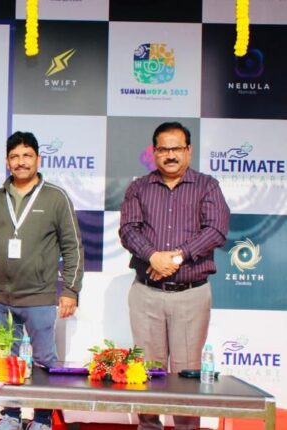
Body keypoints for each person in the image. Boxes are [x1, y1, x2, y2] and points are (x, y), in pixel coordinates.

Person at [0, 131, 84, 430]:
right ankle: (10, 414)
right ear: (7, 162)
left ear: (38, 159)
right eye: (15, 156)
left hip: (39, 295)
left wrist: (71, 290)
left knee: (45, 359)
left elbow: (72, 246)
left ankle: (43, 418)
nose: (21, 162)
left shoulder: (56, 197)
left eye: (27, 155)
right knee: (5, 358)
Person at [119, 122, 229, 430]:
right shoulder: (139, 187)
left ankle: (186, 428)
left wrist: (177, 256)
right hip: (147, 294)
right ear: (154, 152)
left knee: (187, 372)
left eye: (176, 148)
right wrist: (153, 256)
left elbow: (216, 229)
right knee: (148, 371)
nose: (170, 155)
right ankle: (148, 426)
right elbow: (128, 229)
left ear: (188, 150)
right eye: (163, 149)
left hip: (191, 294)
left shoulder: (207, 186)